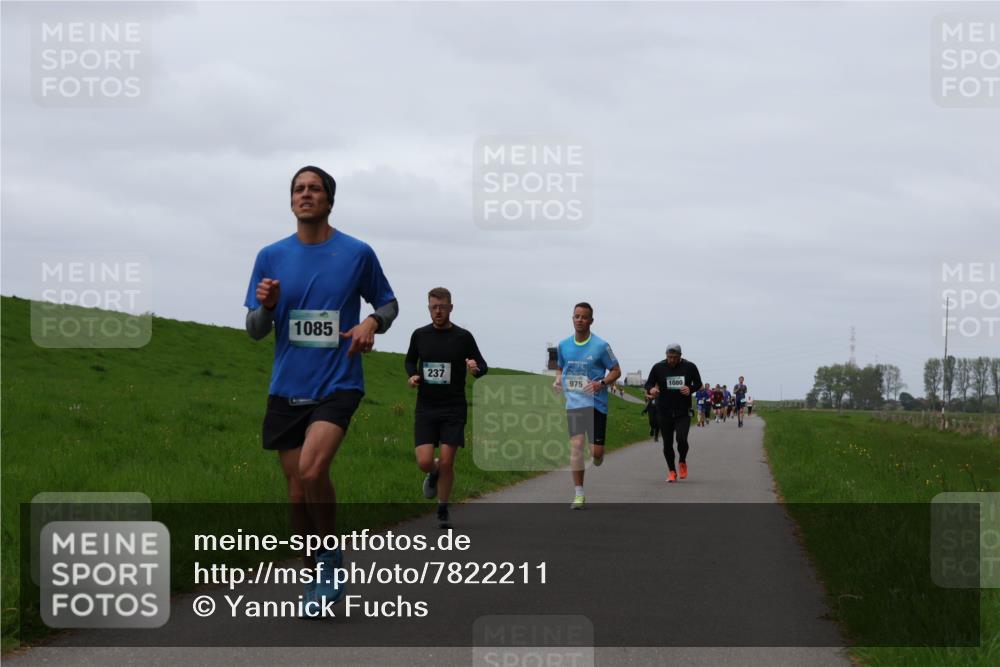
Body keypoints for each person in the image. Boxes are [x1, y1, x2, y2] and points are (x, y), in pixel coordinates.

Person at [245, 165, 398, 616]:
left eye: (314, 189)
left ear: (329, 200)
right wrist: (268, 307)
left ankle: (330, 560)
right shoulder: (270, 256)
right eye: (298, 189)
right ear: (291, 200)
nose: (305, 194)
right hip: (287, 386)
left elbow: (387, 303)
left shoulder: (357, 253)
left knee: (312, 472)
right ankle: (315, 571)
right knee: (296, 493)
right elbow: (254, 329)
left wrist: (371, 323)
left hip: (339, 381)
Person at [405, 287, 488, 529]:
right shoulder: (420, 335)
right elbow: (410, 359)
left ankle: (442, 508)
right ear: (428, 308)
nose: (438, 311)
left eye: (442, 307)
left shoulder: (463, 337)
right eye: (433, 307)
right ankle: (433, 472)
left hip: (453, 407)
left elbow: (483, 366)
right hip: (426, 407)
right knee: (424, 461)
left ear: (451, 307)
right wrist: (412, 375)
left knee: (448, 462)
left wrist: (475, 369)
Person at [552, 302, 621, 509]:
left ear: (591, 320)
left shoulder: (601, 346)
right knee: (576, 446)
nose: (579, 320)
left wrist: (601, 383)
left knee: (596, 453)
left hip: (596, 404)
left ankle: (598, 456)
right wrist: (557, 380)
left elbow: (616, 370)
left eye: (584, 317)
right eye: (576, 316)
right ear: (572, 318)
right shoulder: (563, 345)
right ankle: (579, 494)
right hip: (574, 403)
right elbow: (560, 368)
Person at [644, 344, 703, 483]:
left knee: (682, 440)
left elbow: (699, 383)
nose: (671, 360)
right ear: (665, 355)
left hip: (683, 411)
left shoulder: (690, 367)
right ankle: (671, 471)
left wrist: (690, 389)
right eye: (669, 357)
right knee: (667, 443)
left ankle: (682, 461)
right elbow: (648, 384)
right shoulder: (658, 367)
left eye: (675, 358)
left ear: (680, 356)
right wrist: (651, 389)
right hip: (664, 411)